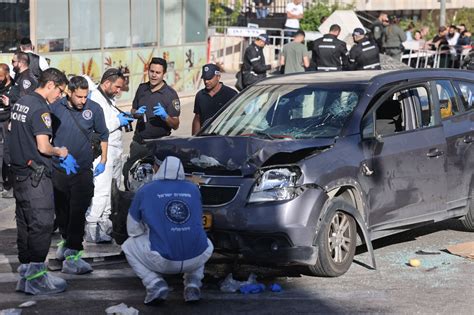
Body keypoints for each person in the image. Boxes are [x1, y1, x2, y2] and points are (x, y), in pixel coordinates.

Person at [10, 68, 70, 295]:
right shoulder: (40, 108)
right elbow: (43, 146)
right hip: (36, 177)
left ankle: (25, 274)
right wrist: (60, 151)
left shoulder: (21, 102)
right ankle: (36, 278)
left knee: (25, 223)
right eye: (60, 91)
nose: (60, 96)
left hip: (19, 174)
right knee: (42, 224)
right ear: (51, 85)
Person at [122, 156, 214, 304]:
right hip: (196, 257)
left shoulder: (145, 190)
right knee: (201, 240)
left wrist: (150, 231)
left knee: (128, 246)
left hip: (163, 259)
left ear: (158, 169)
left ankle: (153, 283)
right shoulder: (193, 189)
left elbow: (133, 229)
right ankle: (193, 284)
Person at [51, 76, 109, 274]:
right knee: (62, 211)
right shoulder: (56, 107)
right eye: (79, 97)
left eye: (85, 96)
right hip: (60, 168)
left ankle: (74, 254)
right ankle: (66, 242)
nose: (82, 101)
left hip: (83, 169)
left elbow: (103, 135)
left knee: (78, 211)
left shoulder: (94, 109)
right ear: (69, 92)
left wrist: (103, 161)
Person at [85, 68, 132, 243]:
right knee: (101, 192)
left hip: (114, 150)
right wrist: (118, 121)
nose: (119, 91)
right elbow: (100, 126)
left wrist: (121, 116)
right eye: (117, 87)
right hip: (104, 151)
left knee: (110, 192)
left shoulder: (107, 99)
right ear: (106, 84)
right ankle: (92, 228)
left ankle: (104, 226)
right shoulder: (96, 99)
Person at [125, 57, 181, 184]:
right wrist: (136, 113)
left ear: (163, 74)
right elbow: (133, 110)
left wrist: (165, 116)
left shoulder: (170, 94)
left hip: (159, 145)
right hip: (139, 143)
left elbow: (176, 124)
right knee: (131, 178)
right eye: (152, 71)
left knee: (157, 182)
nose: (154, 75)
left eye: (158, 72)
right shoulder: (142, 88)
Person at [192, 64, 237, 135]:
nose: (206, 81)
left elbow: (237, 119)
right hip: (205, 138)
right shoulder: (200, 96)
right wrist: (194, 138)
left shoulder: (231, 94)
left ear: (218, 77)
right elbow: (197, 118)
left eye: (209, 78)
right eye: (204, 79)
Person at [0, 64, 19, 198]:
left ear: (6, 74)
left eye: (0, 76)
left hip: (8, 123)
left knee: (7, 153)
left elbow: (20, 106)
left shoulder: (15, 89)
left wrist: (9, 105)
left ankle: (11, 183)